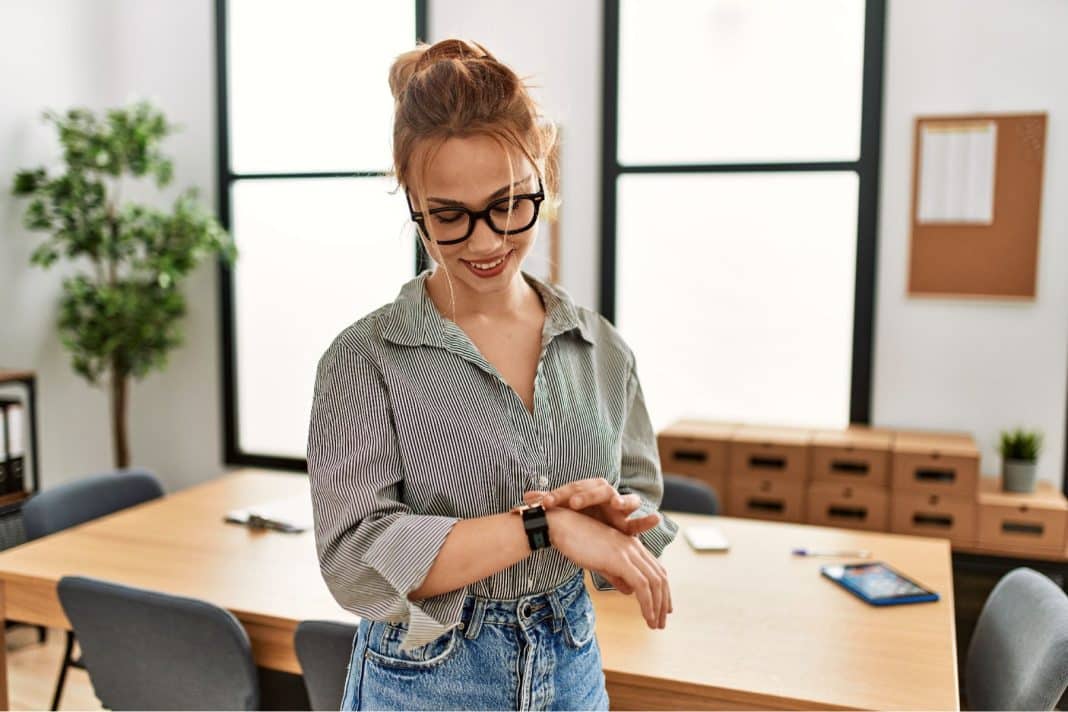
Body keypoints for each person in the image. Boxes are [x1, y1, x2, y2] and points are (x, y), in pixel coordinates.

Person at [307, 38, 678, 711]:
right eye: (449, 217)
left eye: (511, 204)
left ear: (545, 177)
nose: (485, 242)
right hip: (429, 675)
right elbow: (355, 560)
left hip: (570, 662)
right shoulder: (365, 360)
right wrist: (542, 526)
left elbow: (641, 511)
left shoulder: (601, 350)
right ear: (412, 200)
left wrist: (616, 528)